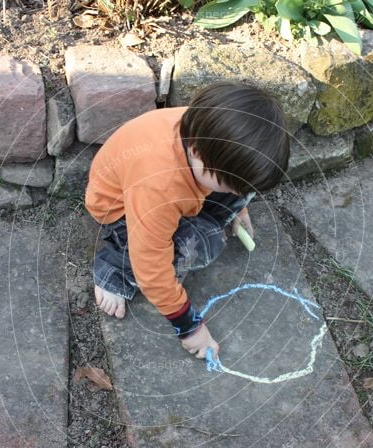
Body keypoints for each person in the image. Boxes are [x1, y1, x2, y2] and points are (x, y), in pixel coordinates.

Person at [85, 82, 289, 358]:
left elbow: (233, 181)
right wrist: (188, 326)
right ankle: (114, 269)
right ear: (195, 151)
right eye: (228, 185)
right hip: (122, 211)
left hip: (172, 189)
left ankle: (223, 198)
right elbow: (151, 260)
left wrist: (238, 208)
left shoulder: (208, 130)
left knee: (239, 192)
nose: (234, 193)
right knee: (205, 244)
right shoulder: (161, 186)